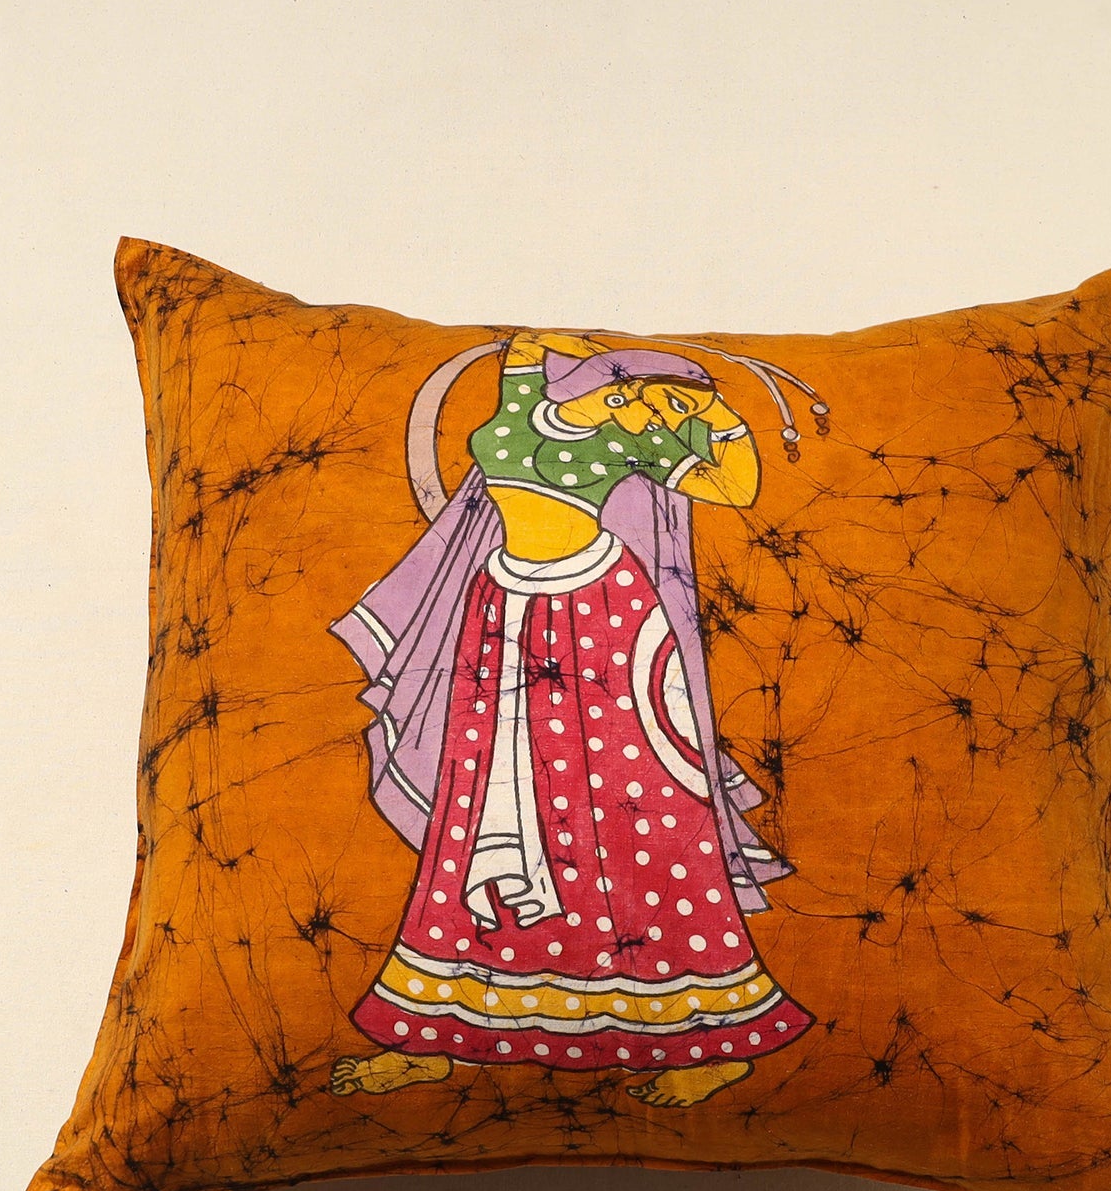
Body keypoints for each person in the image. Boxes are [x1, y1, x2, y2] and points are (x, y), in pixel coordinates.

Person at [330, 330, 813, 1107]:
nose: (656, 412)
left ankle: (707, 1039)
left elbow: (737, 487)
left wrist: (718, 417)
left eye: (669, 408)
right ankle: (431, 1032)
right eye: (655, 399)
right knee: (482, 807)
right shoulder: (523, 403)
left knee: (642, 805)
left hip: (603, 618)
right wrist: (588, 345)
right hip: (501, 613)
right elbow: (526, 344)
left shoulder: (637, 441)